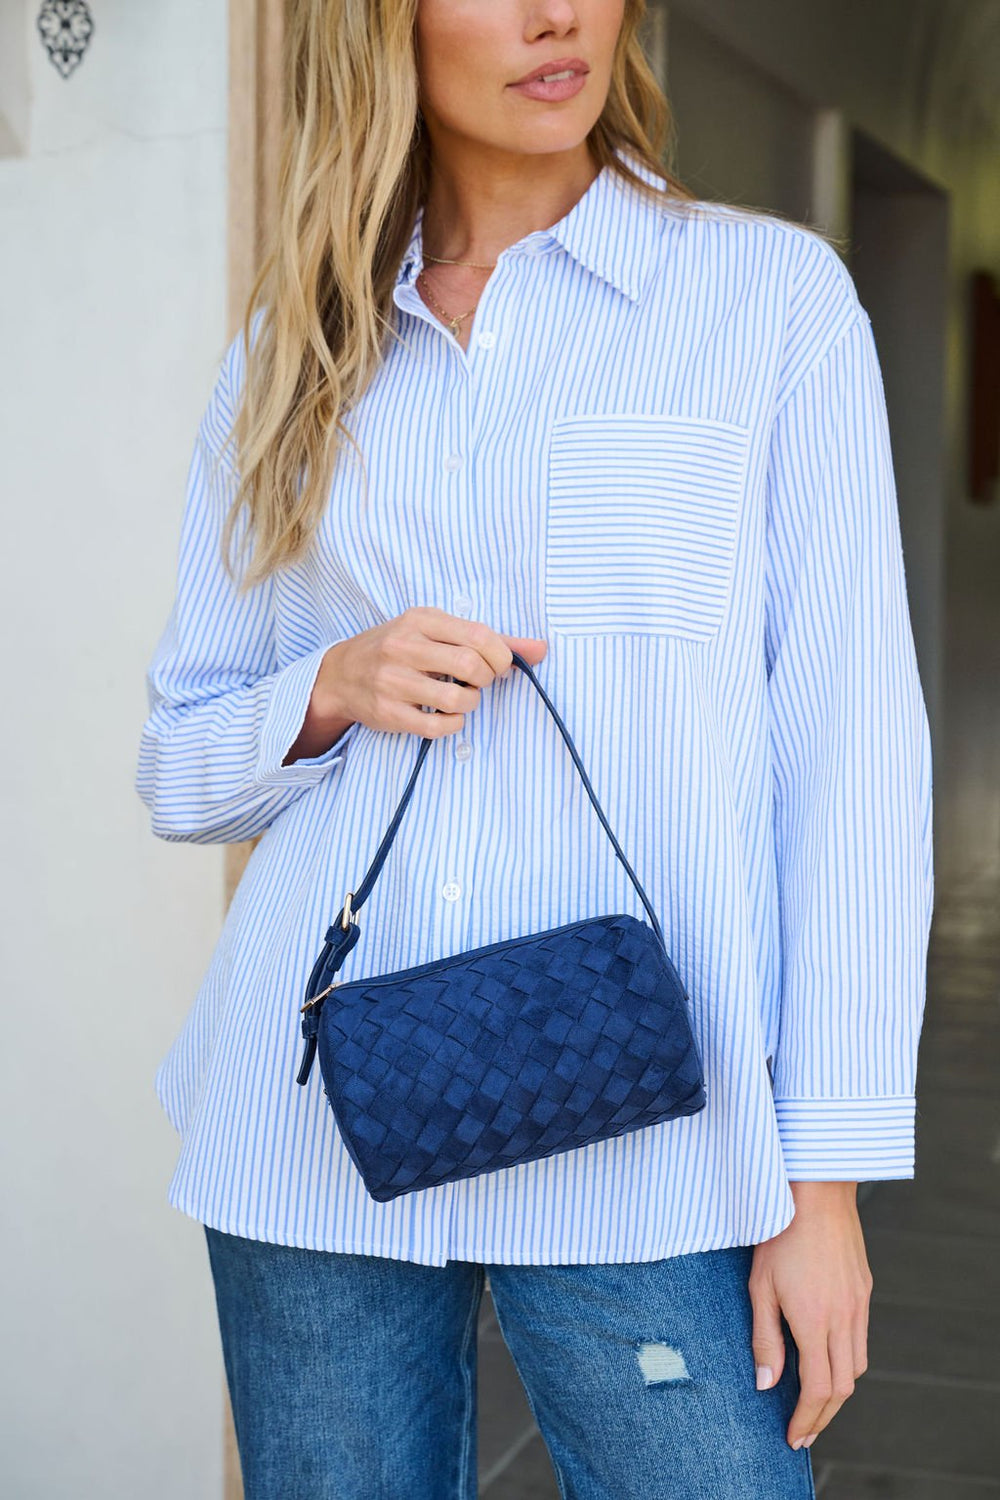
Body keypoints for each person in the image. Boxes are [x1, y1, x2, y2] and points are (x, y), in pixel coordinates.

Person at [135, 2, 934, 1496]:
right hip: (315, 1127)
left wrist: (821, 1186)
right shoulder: (295, 353)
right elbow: (181, 766)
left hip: (657, 1143)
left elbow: (855, 773)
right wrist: (330, 684)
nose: (554, 13)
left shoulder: (770, 305)